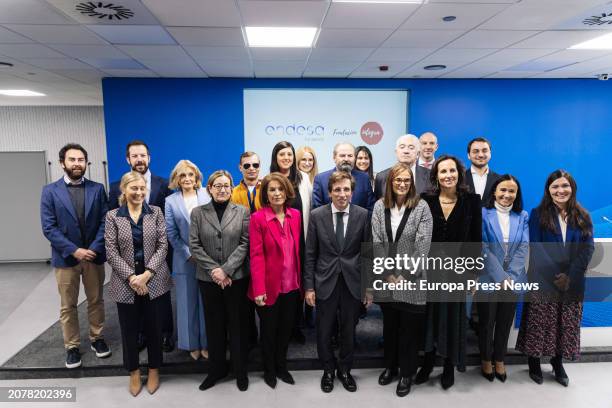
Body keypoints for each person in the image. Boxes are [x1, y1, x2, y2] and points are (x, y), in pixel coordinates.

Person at [516, 170, 594, 387]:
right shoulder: (537, 214)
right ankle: (533, 362)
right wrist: (556, 276)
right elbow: (536, 247)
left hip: (572, 283)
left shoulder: (583, 216)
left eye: (565, 186)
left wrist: (570, 276)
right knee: (539, 323)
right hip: (543, 280)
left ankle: (557, 363)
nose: (560, 191)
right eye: (555, 187)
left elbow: (588, 248)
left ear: (572, 188)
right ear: (548, 190)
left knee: (564, 324)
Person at [40, 143, 111, 369]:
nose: (77, 164)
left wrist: (94, 247)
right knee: (68, 305)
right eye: (72, 160)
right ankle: (71, 346)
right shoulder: (50, 191)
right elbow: (49, 228)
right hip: (66, 259)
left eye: (81, 160)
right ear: (63, 163)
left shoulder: (98, 189)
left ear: (86, 163)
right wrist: (74, 249)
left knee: (96, 300)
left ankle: (97, 338)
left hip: (93, 256)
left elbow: (105, 221)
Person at [417, 155, 482, 390]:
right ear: (436, 176)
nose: (448, 175)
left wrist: (474, 274)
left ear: (459, 173)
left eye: (452, 171)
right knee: (429, 318)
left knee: (453, 319)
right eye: (442, 171)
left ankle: (448, 366)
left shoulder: (472, 201)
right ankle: (427, 362)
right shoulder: (425, 200)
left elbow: (476, 239)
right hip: (429, 270)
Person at [105, 171, 171, 396]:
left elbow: (163, 245)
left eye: (142, 188)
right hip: (126, 284)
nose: (139, 192)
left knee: (154, 328)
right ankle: (133, 371)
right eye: (134, 188)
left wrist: (147, 274)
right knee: (129, 330)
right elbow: (111, 251)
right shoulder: (113, 216)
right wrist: (132, 277)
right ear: (124, 190)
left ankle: (154, 370)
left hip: (154, 281)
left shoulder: (156, 213)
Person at [304, 171, 371, 394]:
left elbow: (367, 254)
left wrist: (368, 287)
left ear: (352, 192)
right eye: (337, 190)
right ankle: (328, 370)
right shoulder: (317, 215)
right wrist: (309, 287)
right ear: (330, 192)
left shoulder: (362, 215)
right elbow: (310, 253)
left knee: (348, 330)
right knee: (324, 330)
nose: (342, 194)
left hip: (353, 281)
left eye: (346, 190)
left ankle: (344, 370)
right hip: (325, 281)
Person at [371, 163, 433, 397]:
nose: (402, 184)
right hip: (386, 278)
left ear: (412, 183)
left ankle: (406, 373)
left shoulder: (422, 207)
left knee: (409, 330)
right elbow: (376, 240)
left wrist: (403, 275)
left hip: (413, 279)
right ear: (390, 182)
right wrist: (388, 274)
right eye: (398, 180)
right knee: (390, 327)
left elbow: (423, 245)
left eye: (407, 180)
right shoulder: (379, 206)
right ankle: (390, 367)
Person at [108, 140, 175, 352]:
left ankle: (165, 334)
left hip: (158, 253)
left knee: (160, 296)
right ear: (128, 159)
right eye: (135, 156)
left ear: (149, 158)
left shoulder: (163, 184)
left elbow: (167, 221)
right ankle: (140, 334)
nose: (139, 159)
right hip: (129, 255)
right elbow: (111, 221)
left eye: (143, 155)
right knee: (133, 297)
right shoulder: (114, 187)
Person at [189, 170, 251, 392]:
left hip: (236, 279)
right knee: (214, 327)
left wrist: (226, 270)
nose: (222, 189)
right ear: (210, 189)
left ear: (231, 187)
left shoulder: (243, 212)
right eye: (218, 186)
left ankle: (240, 370)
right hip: (208, 279)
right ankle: (216, 370)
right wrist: (215, 270)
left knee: (237, 326)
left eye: (226, 185)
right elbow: (194, 245)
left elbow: (245, 243)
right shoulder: (197, 213)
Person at [249, 173, 302, 389]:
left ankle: (282, 366)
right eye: (272, 190)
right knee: (269, 332)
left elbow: (300, 250)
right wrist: (259, 289)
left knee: (285, 330)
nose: (277, 193)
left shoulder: (296, 215)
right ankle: (269, 370)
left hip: (292, 285)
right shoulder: (258, 218)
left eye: (280, 189)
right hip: (269, 287)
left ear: (287, 191)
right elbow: (256, 255)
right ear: (266, 194)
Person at [478, 175, 529, 383]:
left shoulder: (522, 215)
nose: (507, 195)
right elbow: (483, 247)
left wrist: (510, 277)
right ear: (494, 192)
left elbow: (523, 247)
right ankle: (485, 359)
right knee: (486, 322)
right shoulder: (483, 213)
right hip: (488, 277)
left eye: (512, 191)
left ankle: (499, 359)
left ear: (517, 194)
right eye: (503, 190)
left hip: (514, 279)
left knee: (505, 322)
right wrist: (500, 276)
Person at [165, 160, 210, 360]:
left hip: (208, 257)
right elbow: (171, 232)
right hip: (184, 259)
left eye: (191, 175)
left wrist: (202, 253)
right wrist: (188, 253)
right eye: (182, 176)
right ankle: (191, 344)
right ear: (177, 179)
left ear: (197, 177)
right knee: (186, 301)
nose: (187, 179)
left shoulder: (206, 195)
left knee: (207, 302)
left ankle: (207, 342)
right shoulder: (170, 201)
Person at [270, 141, 312, 340]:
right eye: (282, 154)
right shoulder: (269, 179)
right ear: (275, 158)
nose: (286, 158)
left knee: (297, 283)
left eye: (289, 154)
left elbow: (310, 208)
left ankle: (296, 325)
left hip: (299, 239)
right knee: (279, 282)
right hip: (276, 242)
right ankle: (278, 324)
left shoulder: (302, 177)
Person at [230, 151, 262, 346]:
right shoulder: (232, 192)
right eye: (247, 165)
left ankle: (267, 340)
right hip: (240, 252)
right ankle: (248, 339)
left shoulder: (268, 188)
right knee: (243, 300)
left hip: (264, 252)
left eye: (255, 165)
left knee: (265, 298)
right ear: (240, 168)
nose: (251, 169)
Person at [312, 142, 375, 212]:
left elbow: (370, 208)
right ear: (334, 157)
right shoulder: (321, 179)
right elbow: (317, 211)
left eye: (350, 156)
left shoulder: (364, 179)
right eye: (342, 156)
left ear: (354, 158)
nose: (346, 159)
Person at [374, 134, 432, 199]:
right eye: (402, 147)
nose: (406, 151)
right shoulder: (381, 177)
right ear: (396, 152)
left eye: (411, 148)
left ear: (418, 154)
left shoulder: (430, 175)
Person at [465, 137, 500, 204]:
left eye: (484, 151)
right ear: (468, 155)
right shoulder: (459, 179)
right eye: (475, 151)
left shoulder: (499, 180)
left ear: (490, 154)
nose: (480, 155)